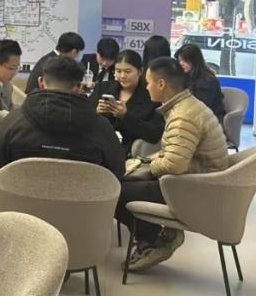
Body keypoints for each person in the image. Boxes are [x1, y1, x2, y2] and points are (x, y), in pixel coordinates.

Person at [119, 57, 229, 271]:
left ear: (161, 84)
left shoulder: (183, 117)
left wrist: (148, 167)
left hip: (194, 187)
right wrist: (148, 162)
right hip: (198, 178)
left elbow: (174, 165)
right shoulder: (187, 106)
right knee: (127, 181)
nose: (146, 87)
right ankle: (157, 236)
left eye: (148, 82)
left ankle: (153, 241)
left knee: (117, 191)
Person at [0, 55, 124, 180]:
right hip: (81, 200)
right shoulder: (101, 128)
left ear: (41, 82)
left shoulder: (12, 123)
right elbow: (117, 173)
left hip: (19, 199)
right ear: (79, 87)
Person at [89, 49, 162, 155]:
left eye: (127, 71)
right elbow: (84, 118)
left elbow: (154, 134)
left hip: (128, 152)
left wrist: (125, 116)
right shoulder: (103, 88)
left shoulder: (151, 96)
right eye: (118, 71)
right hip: (98, 147)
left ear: (140, 71)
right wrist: (96, 112)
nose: (122, 76)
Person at [175, 43, 227, 124]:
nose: (181, 63)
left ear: (194, 61)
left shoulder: (208, 81)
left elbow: (200, 107)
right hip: (192, 116)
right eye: (180, 61)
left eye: (185, 60)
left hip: (210, 118)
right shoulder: (186, 76)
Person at [24, 32, 85, 96]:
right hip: (40, 98)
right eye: (78, 52)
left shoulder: (50, 58)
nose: (77, 56)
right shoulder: (58, 64)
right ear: (73, 51)